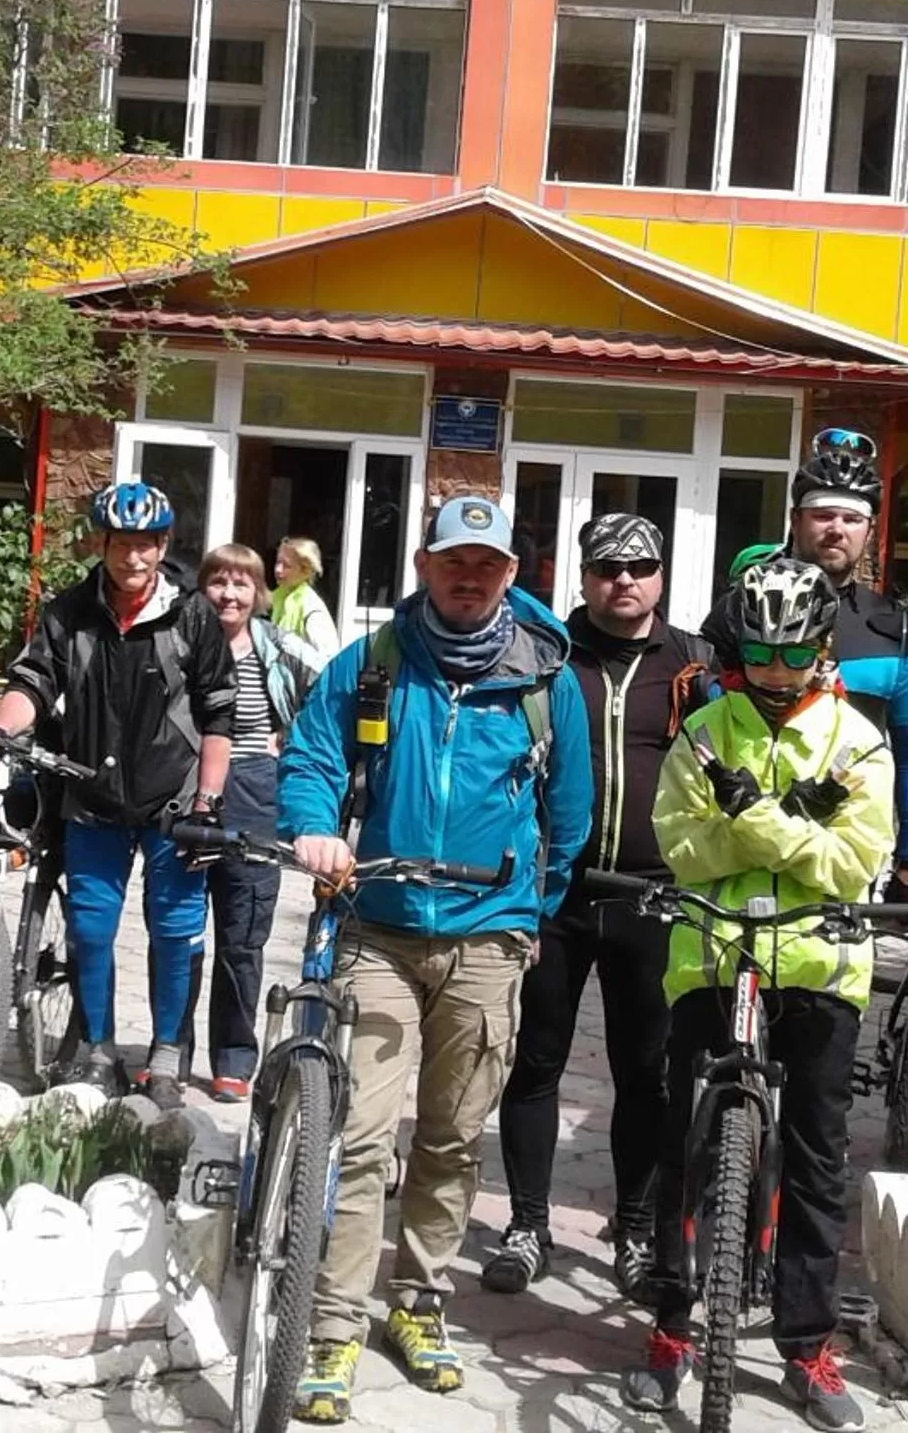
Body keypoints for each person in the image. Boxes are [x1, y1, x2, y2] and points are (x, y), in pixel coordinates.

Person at [277, 494, 590, 1423]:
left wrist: (528, 912)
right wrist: (313, 830)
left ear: (511, 574)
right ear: (423, 565)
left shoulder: (546, 679)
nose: (468, 577)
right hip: (376, 924)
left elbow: (570, 813)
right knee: (361, 1132)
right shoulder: (373, 660)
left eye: (487, 564)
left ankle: (418, 1300)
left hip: (489, 933)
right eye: (453, 560)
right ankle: (333, 1322)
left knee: (453, 1136)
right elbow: (313, 757)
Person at [627, 555, 893, 1430]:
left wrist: (751, 819)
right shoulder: (705, 733)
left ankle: (806, 1344)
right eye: (762, 655)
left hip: (819, 964)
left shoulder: (859, 741)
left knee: (818, 1159)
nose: (777, 673)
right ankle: (671, 1326)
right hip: (712, 952)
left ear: (823, 650)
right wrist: (793, 827)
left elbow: (853, 863)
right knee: (684, 1147)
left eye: (795, 654)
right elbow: (681, 848)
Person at [486, 511, 712, 1301]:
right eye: (608, 567)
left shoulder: (694, 663)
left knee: (645, 1073)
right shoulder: (545, 651)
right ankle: (527, 1225)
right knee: (536, 1059)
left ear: (661, 575)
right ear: (582, 576)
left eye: (639, 567)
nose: (624, 580)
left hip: (653, 894)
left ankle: (637, 1231)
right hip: (558, 889)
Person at [0, 481, 234, 1108]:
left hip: (174, 797)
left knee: (175, 931)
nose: (133, 557)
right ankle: (98, 1050)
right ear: (103, 544)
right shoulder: (69, 612)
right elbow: (33, 683)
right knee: (91, 929)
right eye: (122, 544)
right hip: (90, 792)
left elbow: (218, 714)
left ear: (163, 546)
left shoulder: (193, 615)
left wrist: (207, 800)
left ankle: (167, 1055)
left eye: (146, 545)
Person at [769, 430, 908, 898]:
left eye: (851, 518)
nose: (836, 529)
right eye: (822, 515)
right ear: (795, 520)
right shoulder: (742, 610)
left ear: (870, 529)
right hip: (748, 841)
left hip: (847, 855)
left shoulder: (896, 629)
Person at [199, 542, 322, 1100]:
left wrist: (292, 744)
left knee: (242, 936)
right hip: (187, 786)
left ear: (258, 593)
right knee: (178, 931)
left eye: (241, 583)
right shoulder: (183, 643)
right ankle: (169, 1050)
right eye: (218, 582)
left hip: (255, 789)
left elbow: (331, 694)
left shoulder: (278, 647)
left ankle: (233, 1058)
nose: (229, 594)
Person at [271, 536, 340, 664]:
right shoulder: (278, 596)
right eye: (277, 562)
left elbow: (328, 659)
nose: (278, 569)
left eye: (286, 566)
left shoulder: (311, 607)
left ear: (306, 570)